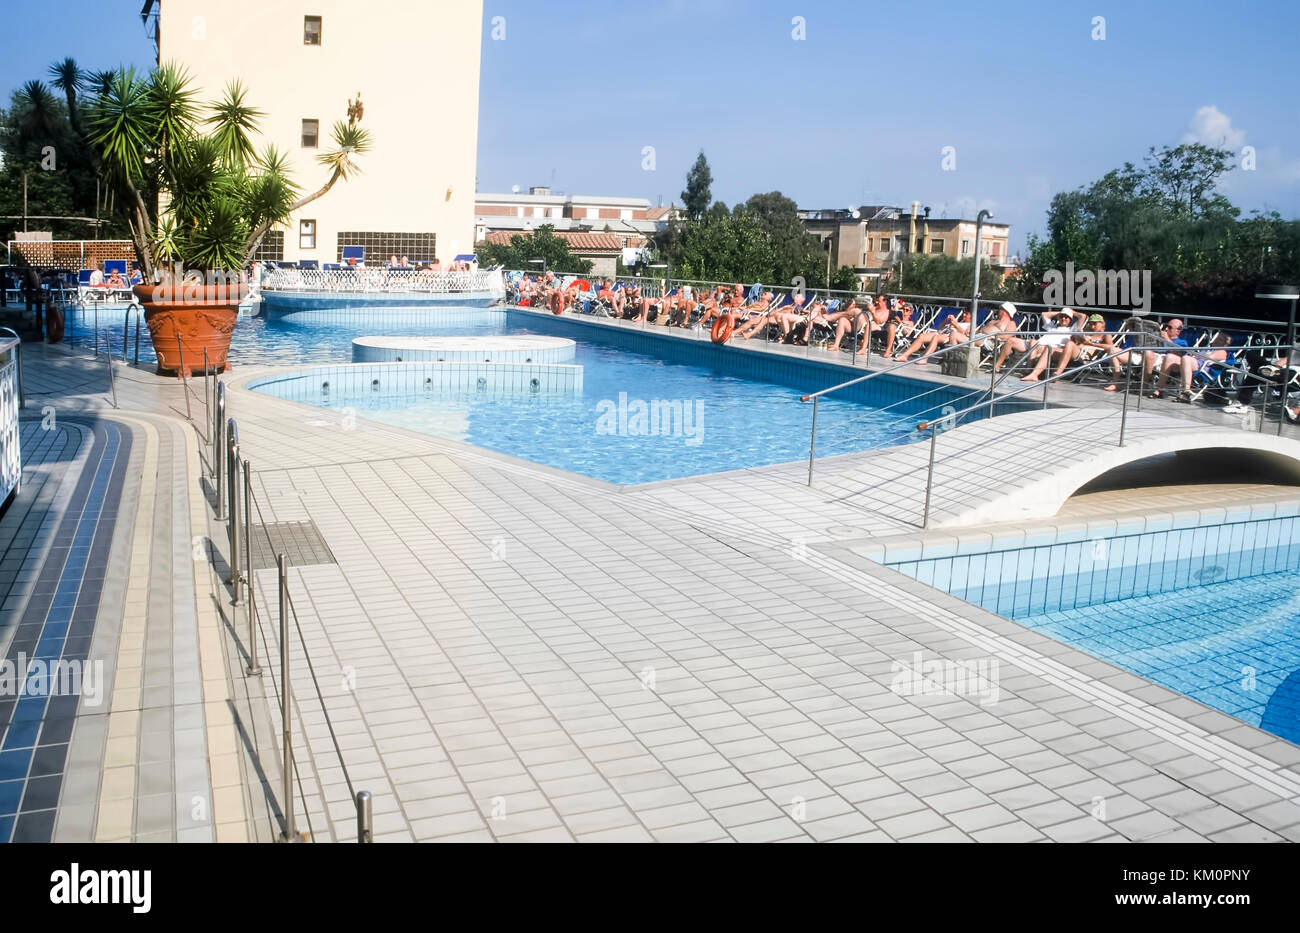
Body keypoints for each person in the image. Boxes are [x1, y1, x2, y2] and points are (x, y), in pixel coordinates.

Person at [1150, 331, 1231, 401]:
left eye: (1220, 339)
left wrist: (1195, 355)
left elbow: (1208, 357)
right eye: (1217, 337)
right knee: (1169, 357)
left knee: (1186, 358)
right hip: (1191, 363)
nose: (1216, 340)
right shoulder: (1209, 348)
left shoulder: (1222, 351)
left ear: (1225, 344)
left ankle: (1186, 392)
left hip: (1201, 368)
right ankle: (1159, 389)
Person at [1017, 308, 1087, 381]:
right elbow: (1044, 314)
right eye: (1061, 316)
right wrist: (1062, 312)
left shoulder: (1072, 329)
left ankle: (1032, 373)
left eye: (1066, 317)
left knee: (1048, 348)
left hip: (1052, 350)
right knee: (1023, 341)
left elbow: (1083, 316)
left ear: (1070, 320)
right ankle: (1028, 368)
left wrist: (1070, 311)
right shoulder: (1052, 327)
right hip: (1038, 346)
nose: (1063, 318)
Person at [1060, 313, 1123, 391]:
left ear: (1102, 323)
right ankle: (1055, 371)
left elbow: (1110, 347)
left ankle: (1058, 372)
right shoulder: (1086, 331)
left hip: (1087, 355)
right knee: (1057, 347)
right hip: (1078, 350)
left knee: (1069, 345)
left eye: (1095, 324)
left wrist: (1091, 343)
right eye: (1090, 323)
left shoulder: (1105, 335)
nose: (1092, 326)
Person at [898, 309, 971, 363]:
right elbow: (939, 328)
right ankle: (904, 356)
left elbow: (966, 335)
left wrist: (956, 325)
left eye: (966, 314)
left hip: (949, 336)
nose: (964, 315)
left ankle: (925, 358)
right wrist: (946, 320)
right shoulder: (958, 321)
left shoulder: (971, 325)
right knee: (921, 336)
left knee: (935, 338)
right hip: (941, 332)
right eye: (964, 313)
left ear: (971, 316)